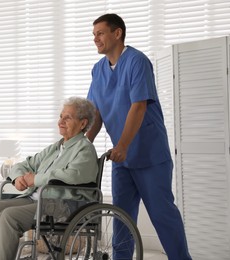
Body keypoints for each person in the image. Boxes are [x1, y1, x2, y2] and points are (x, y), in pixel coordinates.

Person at [86, 13, 192, 259]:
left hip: (149, 155)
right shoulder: (98, 70)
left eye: (100, 33)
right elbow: (95, 113)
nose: (95, 39)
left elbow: (139, 106)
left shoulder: (137, 61)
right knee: (121, 217)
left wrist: (122, 145)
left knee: (162, 215)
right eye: (94, 35)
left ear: (117, 33)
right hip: (122, 159)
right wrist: (82, 145)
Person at [0, 97, 98, 260]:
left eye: (67, 118)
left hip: (60, 205)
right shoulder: (56, 147)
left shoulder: (85, 149)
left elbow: (71, 175)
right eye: (60, 116)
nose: (60, 122)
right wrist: (18, 177)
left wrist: (36, 179)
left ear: (83, 123)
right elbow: (24, 164)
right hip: (35, 199)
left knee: (9, 216)